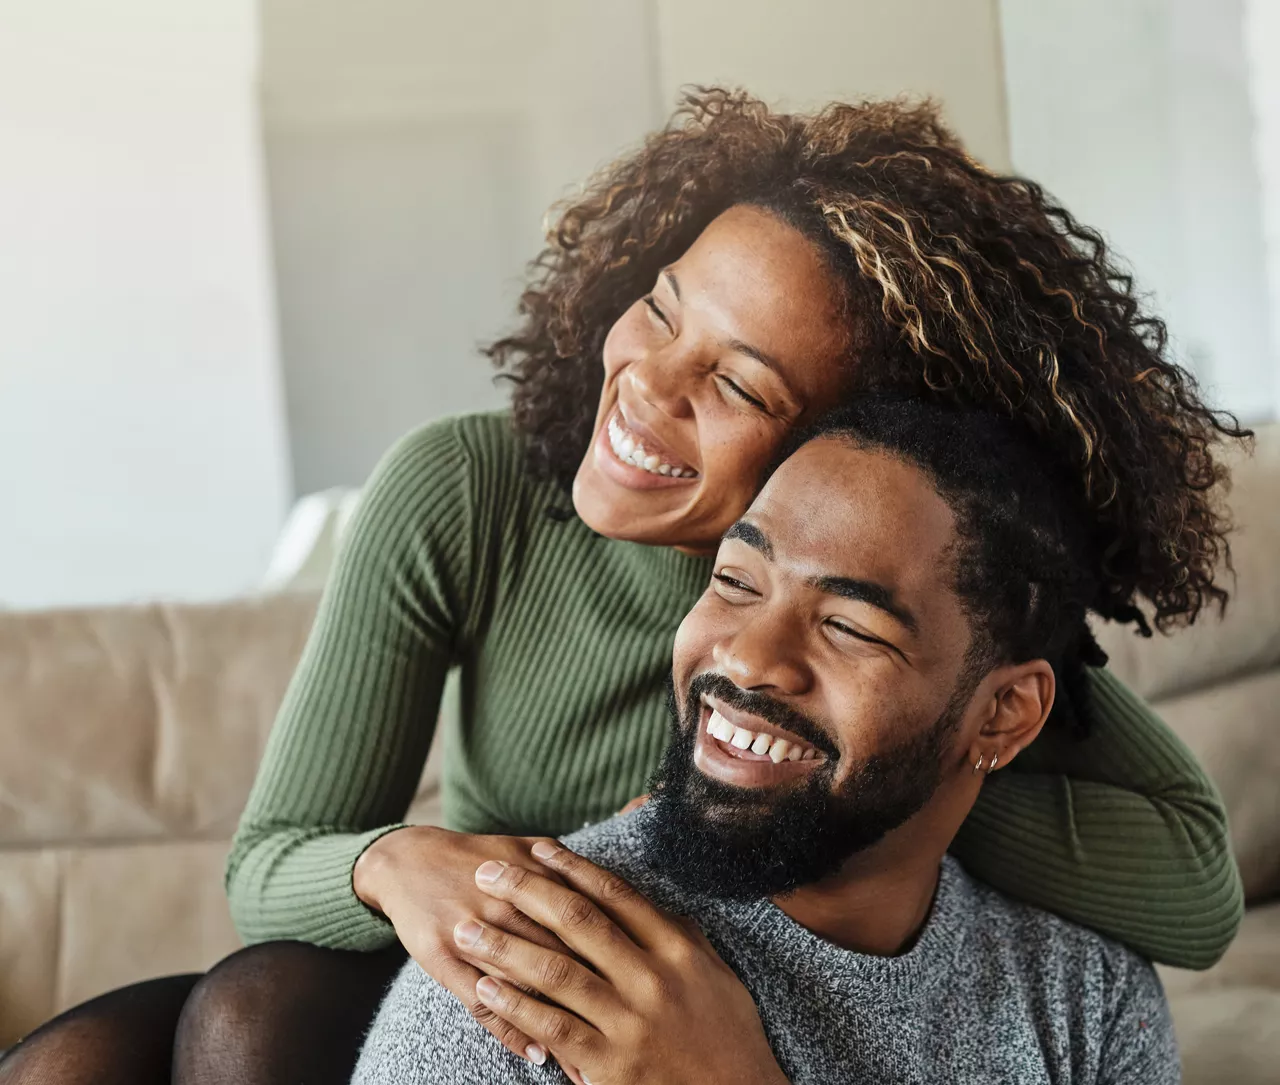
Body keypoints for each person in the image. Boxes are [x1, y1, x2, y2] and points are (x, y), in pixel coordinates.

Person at [0, 91, 1243, 1085]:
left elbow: (1191, 885)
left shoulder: (903, 635)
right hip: (463, 973)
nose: (650, 385)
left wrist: (862, 762)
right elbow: (270, 858)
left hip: (696, 978)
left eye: (742, 385)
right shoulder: (465, 489)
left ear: (845, 443)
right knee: (162, 1033)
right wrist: (403, 864)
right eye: (659, 310)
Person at [352, 398, 1184, 1085]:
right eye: (735, 581)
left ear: (1003, 713)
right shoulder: (526, 976)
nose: (746, 657)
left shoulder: (1090, 1000)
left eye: (851, 626)